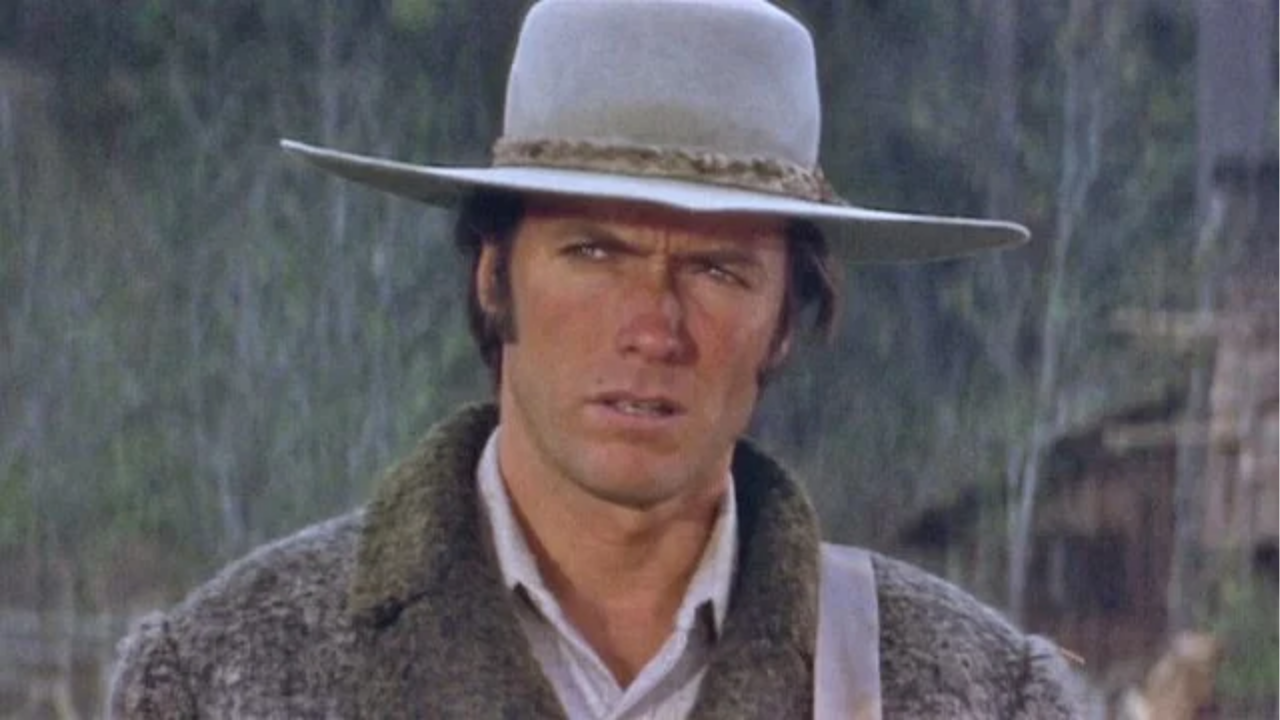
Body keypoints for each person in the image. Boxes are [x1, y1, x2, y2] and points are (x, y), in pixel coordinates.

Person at [109, 0, 1082, 717]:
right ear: (494, 276)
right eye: (593, 253)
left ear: (786, 319)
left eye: (717, 270)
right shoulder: (232, 674)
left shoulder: (970, 693)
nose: (653, 327)